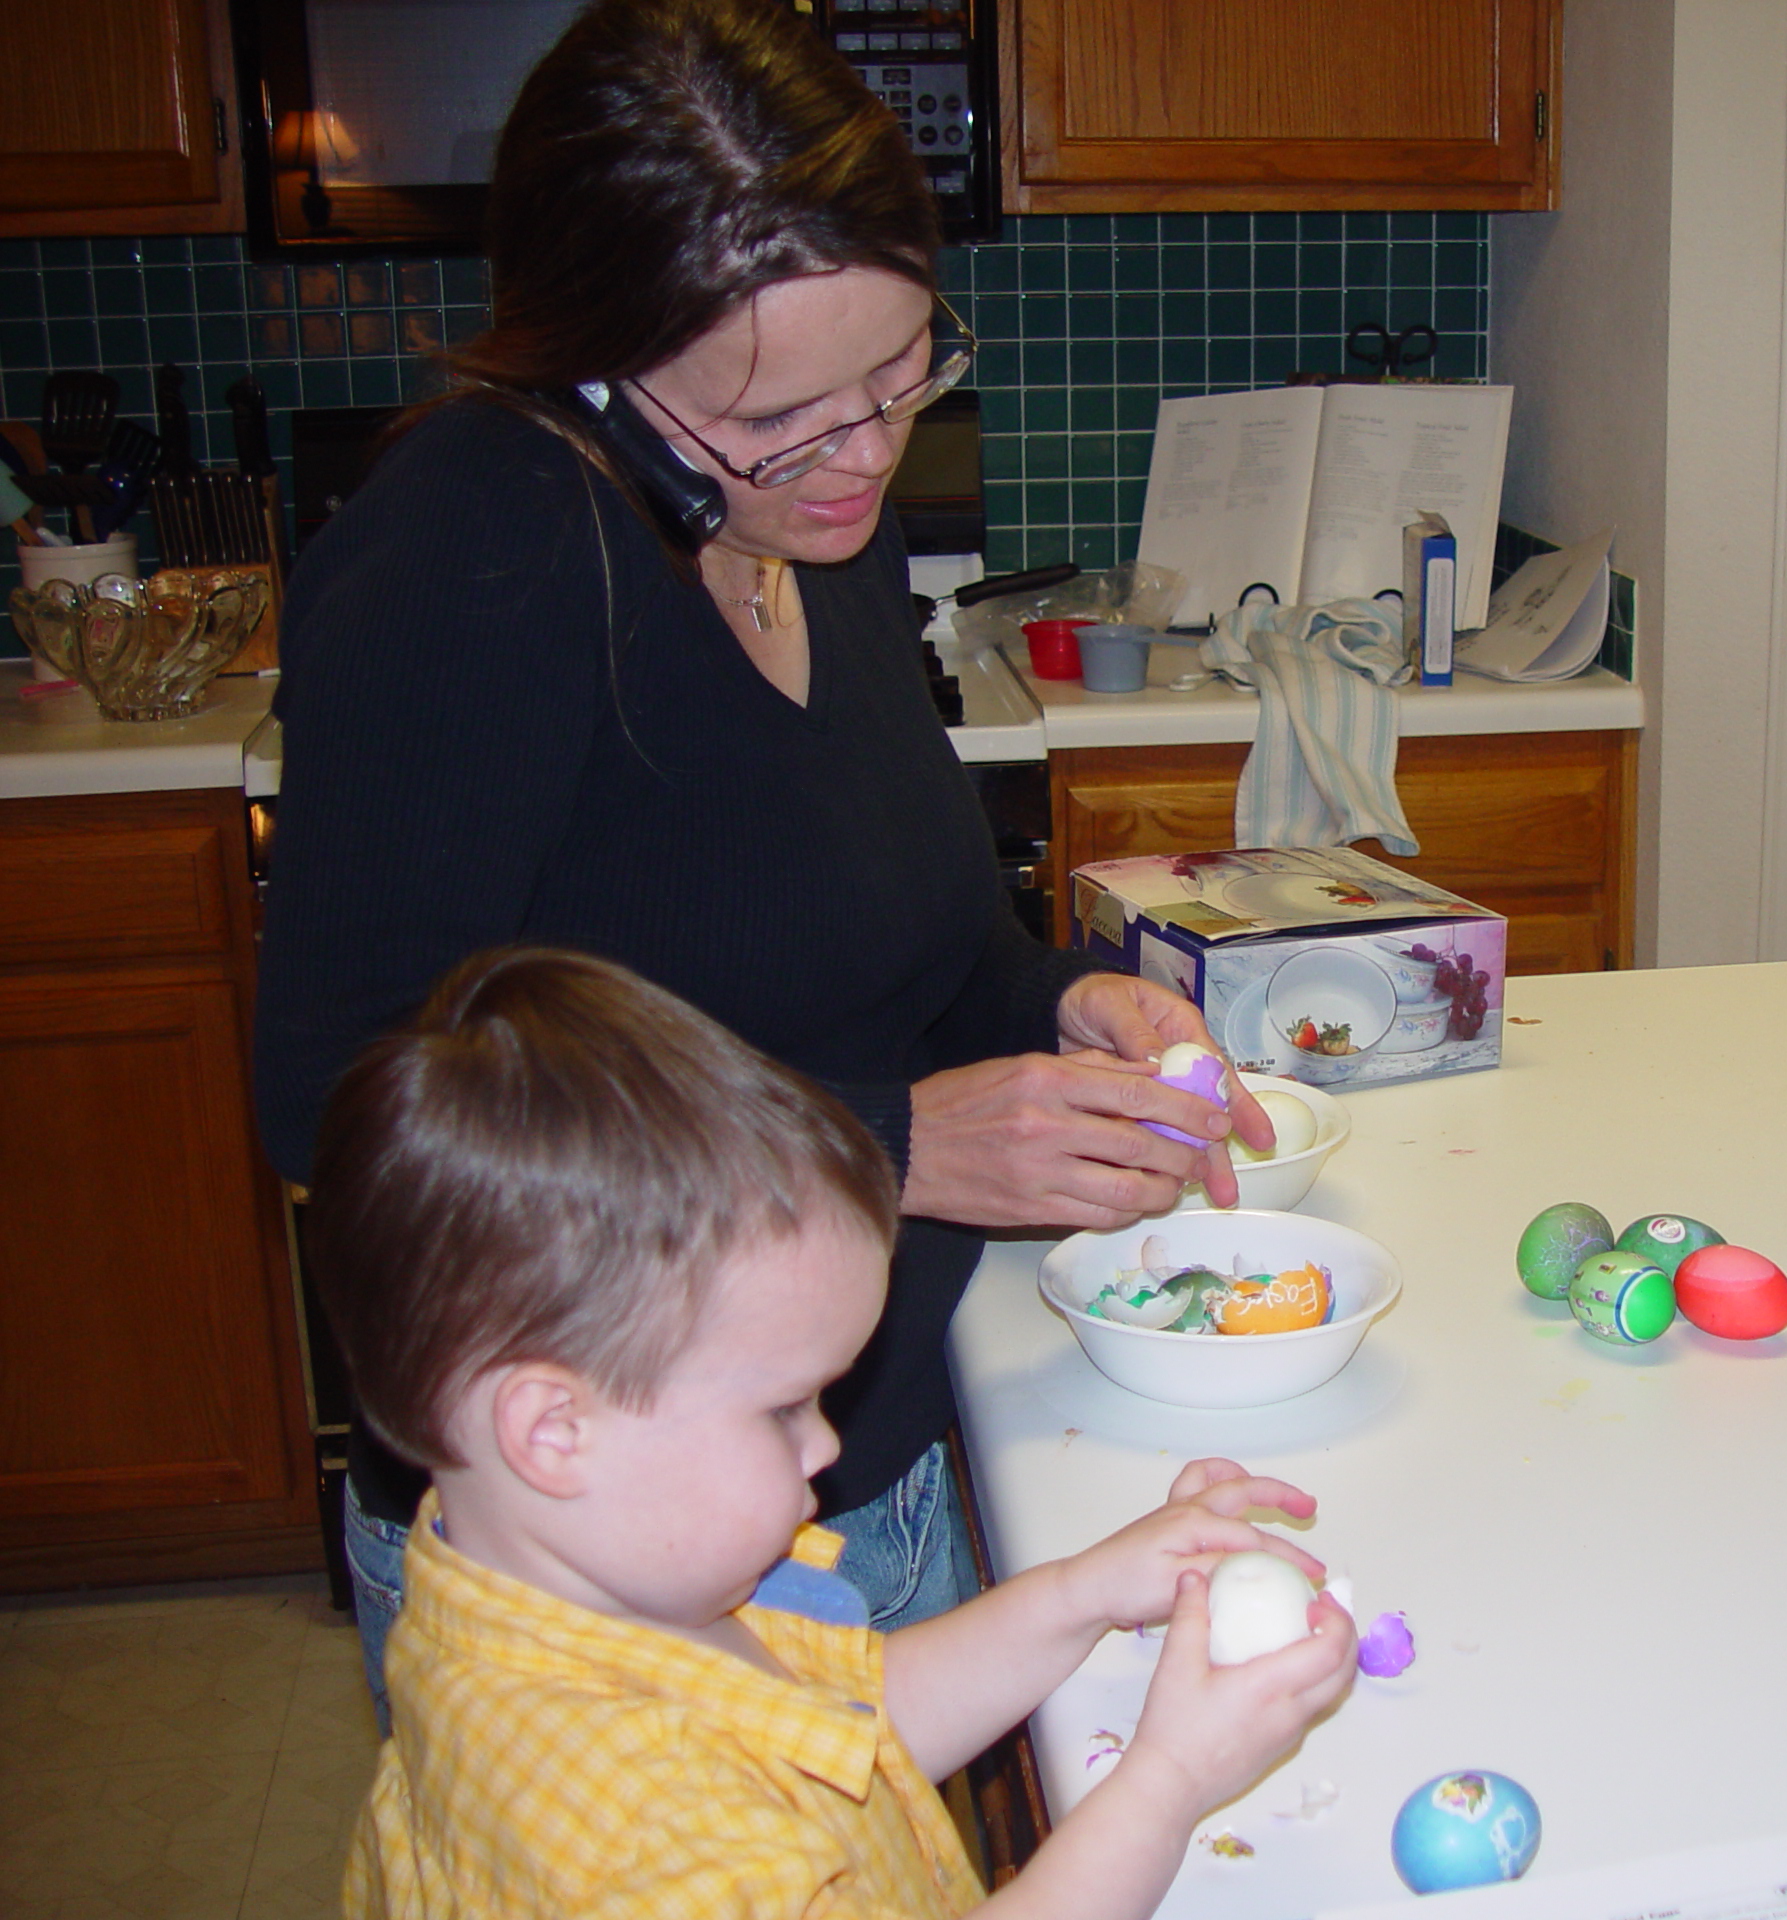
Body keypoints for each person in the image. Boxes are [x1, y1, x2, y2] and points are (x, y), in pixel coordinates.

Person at [252, 0, 1272, 1716]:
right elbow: (349, 1103)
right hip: (606, 1567)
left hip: (861, 1448)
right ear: (596, 365)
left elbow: (919, 954)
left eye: (897, 374)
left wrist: (1065, 1005)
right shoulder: (476, 559)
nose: (864, 457)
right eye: (780, 420)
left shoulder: (812, 535)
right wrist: (880, 1147)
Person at [307, 947, 1358, 1918]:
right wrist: (1165, 1783)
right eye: (781, 1408)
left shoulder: (562, 1572)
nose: (824, 1447)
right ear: (552, 1429)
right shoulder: (644, 1844)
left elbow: (839, 1715)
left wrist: (1082, 1589)